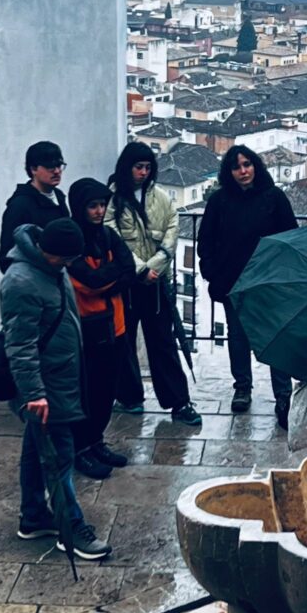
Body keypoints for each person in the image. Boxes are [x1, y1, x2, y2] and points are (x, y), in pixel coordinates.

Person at [1, 218, 111, 561]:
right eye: (65, 259)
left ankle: (33, 517)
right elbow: (20, 345)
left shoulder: (52, 268)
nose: (68, 265)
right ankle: (70, 528)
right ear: (49, 252)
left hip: (62, 378)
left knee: (37, 449)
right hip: (45, 385)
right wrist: (34, 394)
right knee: (60, 456)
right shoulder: (20, 282)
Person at [197, 145, 298, 426]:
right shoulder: (219, 201)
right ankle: (242, 387)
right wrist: (210, 271)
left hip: (267, 282)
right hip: (232, 280)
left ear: (256, 166)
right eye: (236, 167)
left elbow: (290, 238)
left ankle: (283, 396)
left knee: (275, 338)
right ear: (229, 172)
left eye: (247, 164)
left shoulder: (274, 198)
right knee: (238, 337)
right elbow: (205, 239)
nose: (243, 171)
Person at [106, 142, 201, 426]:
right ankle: (129, 396)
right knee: (123, 341)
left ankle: (178, 402)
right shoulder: (113, 199)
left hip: (156, 284)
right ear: (127, 167)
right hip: (127, 283)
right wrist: (140, 270)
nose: (143, 173)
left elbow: (173, 230)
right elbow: (113, 238)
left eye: (148, 168)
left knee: (162, 343)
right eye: (139, 167)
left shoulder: (160, 198)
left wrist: (155, 267)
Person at [67, 178, 137, 480]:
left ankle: (96, 441)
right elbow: (90, 283)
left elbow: (129, 269)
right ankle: (80, 448)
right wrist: (114, 277)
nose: (99, 211)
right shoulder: (72, 240)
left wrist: (110, 278)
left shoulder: (107, 235)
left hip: (115, 325)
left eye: (102, 205)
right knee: (86, 392)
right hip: (89, 328)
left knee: (106, 391)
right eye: (93, 206)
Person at [0, 141, 69, 273]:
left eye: (59, 165)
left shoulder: (59, 197)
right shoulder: (20, 205)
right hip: (34, 279)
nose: (57, 171)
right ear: (33, 169)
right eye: (50, 167)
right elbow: (7, 256)